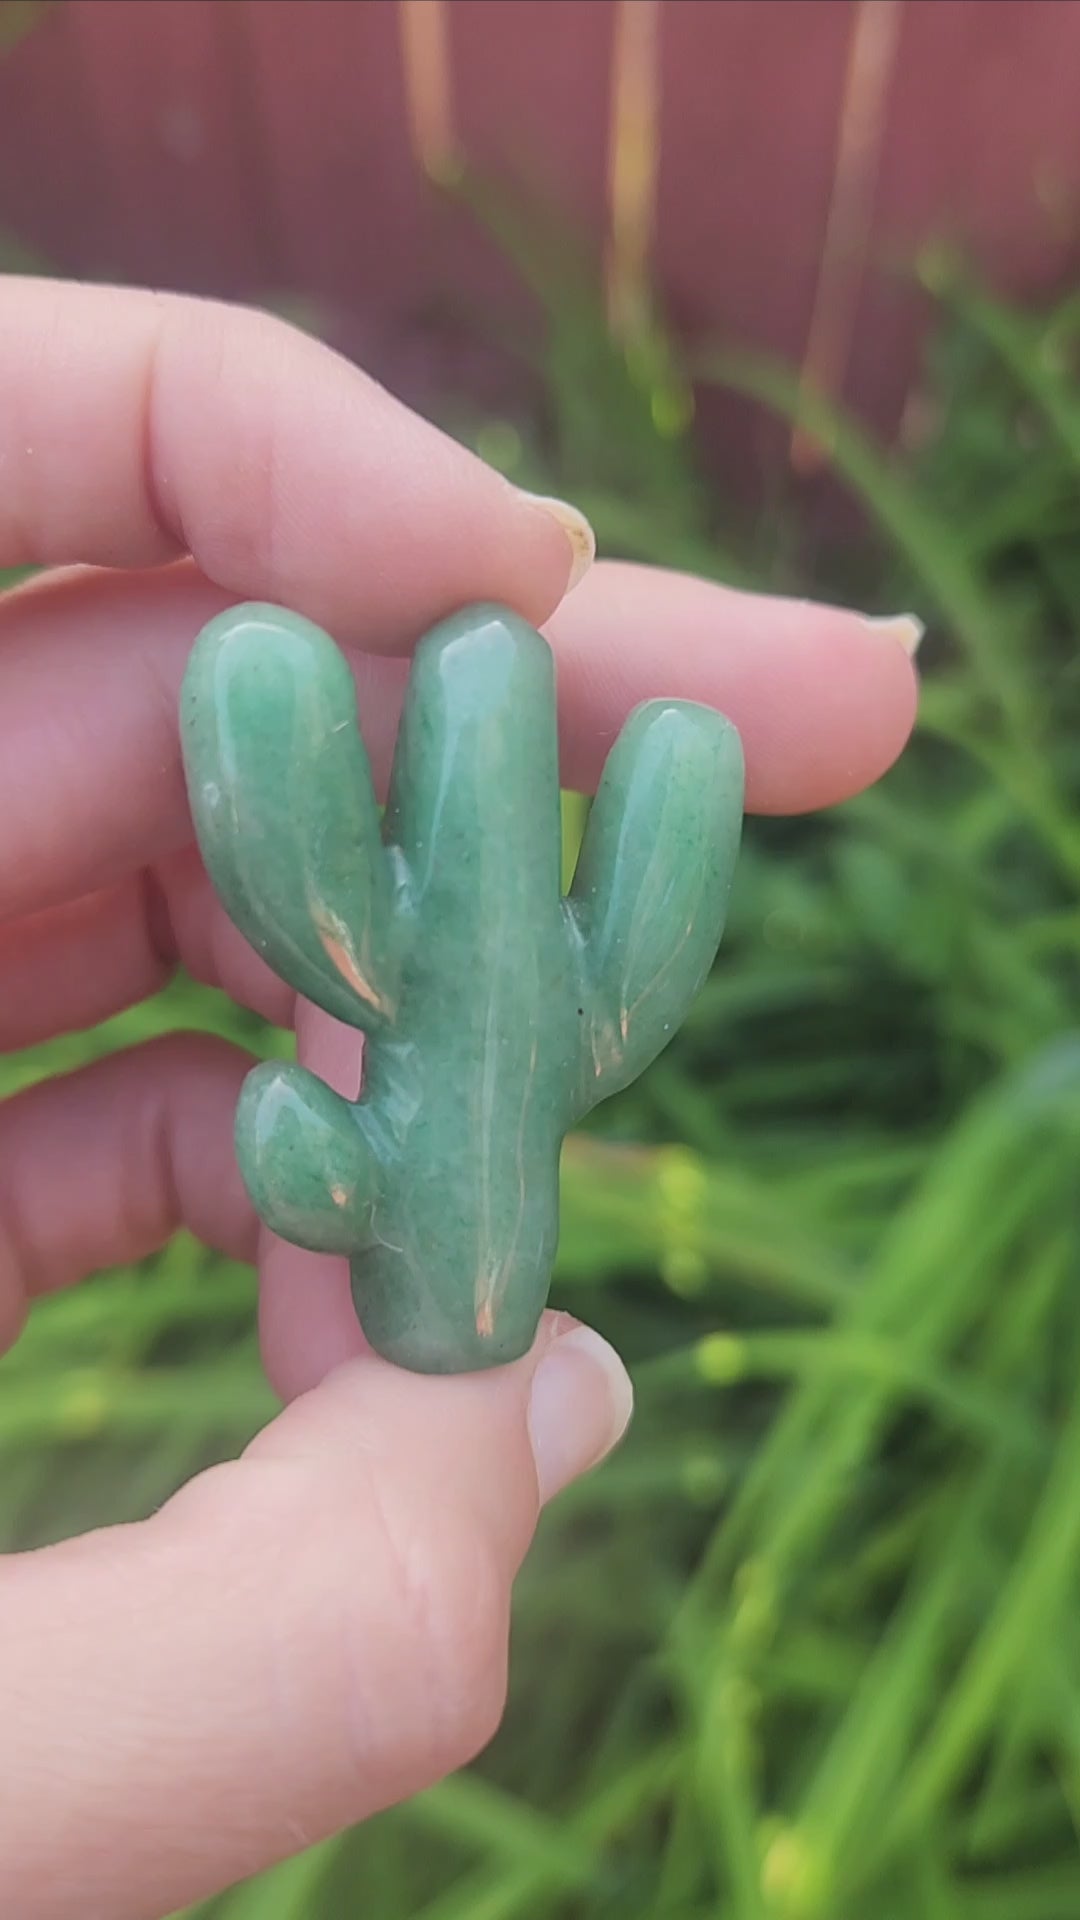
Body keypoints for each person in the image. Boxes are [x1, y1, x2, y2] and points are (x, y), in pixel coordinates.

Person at [0, 278, 919, 1920]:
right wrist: (329, 1171)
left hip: (417, 1174)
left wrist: (332, 1171)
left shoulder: (495, 981)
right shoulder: (434, 958)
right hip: (409, 1190)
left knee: (628, 752)